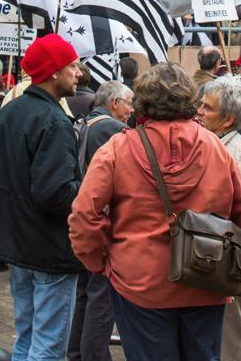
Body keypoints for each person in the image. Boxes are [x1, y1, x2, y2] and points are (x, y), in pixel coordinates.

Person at [69, 63, 241, 361]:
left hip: (139, 281)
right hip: (206, 276)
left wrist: (98, 262)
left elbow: (83, 215)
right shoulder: (216, 148)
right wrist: (234, 262)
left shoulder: (118, 149)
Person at [0, 34, 84, 361]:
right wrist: (94, 192)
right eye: (72, 66)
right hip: (46, 246)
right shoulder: (53, 121)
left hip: (18, 242)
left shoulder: (11, 111)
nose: (79, 73)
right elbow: (55, 193)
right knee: (48, 345)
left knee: (28, 335)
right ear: (53, 73)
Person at [197, 77, 241, 361]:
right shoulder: (216, 146)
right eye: (200, 104)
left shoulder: (239, 156)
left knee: (235, 346)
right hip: (218, 264)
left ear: (229, 119)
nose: (199, 111)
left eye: (207, 108)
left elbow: (239, 220)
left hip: (232, 267)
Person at [68, 81, 134, 361]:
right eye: (129, 103)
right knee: (101, 298)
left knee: (85, 293)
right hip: (104, 221)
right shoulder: (115, 130)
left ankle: (76, 352)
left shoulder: (83, 122)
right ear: (114, 103)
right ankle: (93, 355)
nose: (132, 110)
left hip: (84, 218)